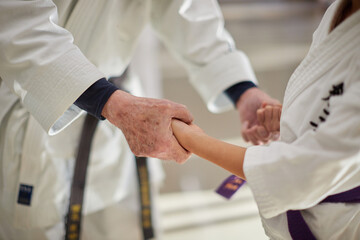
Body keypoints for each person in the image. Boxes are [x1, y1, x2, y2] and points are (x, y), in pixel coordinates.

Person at [0, 0, 280, 239]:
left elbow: (187, 10)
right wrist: (112, 104)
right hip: (40, 103)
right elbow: (19, 26)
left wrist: (242, 89)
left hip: (118, 114)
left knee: (123, 226)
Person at [171, 0, 360, 239]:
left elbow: (302, 171)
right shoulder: (340, 9)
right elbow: (337, 102)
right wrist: (299, 121)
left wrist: (191, 138)